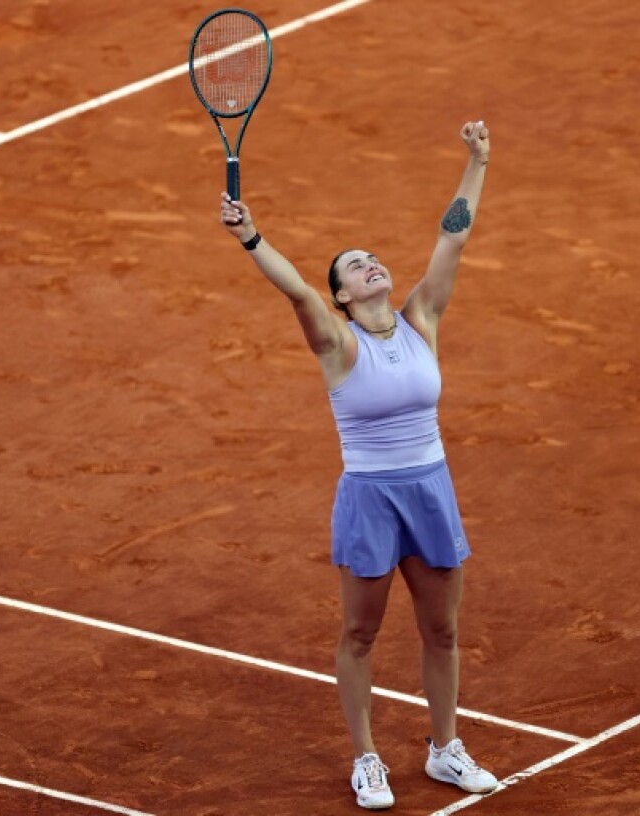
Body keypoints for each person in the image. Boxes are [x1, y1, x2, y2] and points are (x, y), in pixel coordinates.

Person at [218, 121, 497, 810]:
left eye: (373, 257)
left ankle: (444, 750)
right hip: (371, 497)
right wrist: (252, 237)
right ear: (342, 296)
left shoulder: (422, 317)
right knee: (360, 632)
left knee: (443, 629)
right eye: (353, 266)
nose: (370, 263)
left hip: (429, 488)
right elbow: (295, 292)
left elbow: (453, 237)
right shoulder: (336, 343)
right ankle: (367, 759)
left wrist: (476, 161)